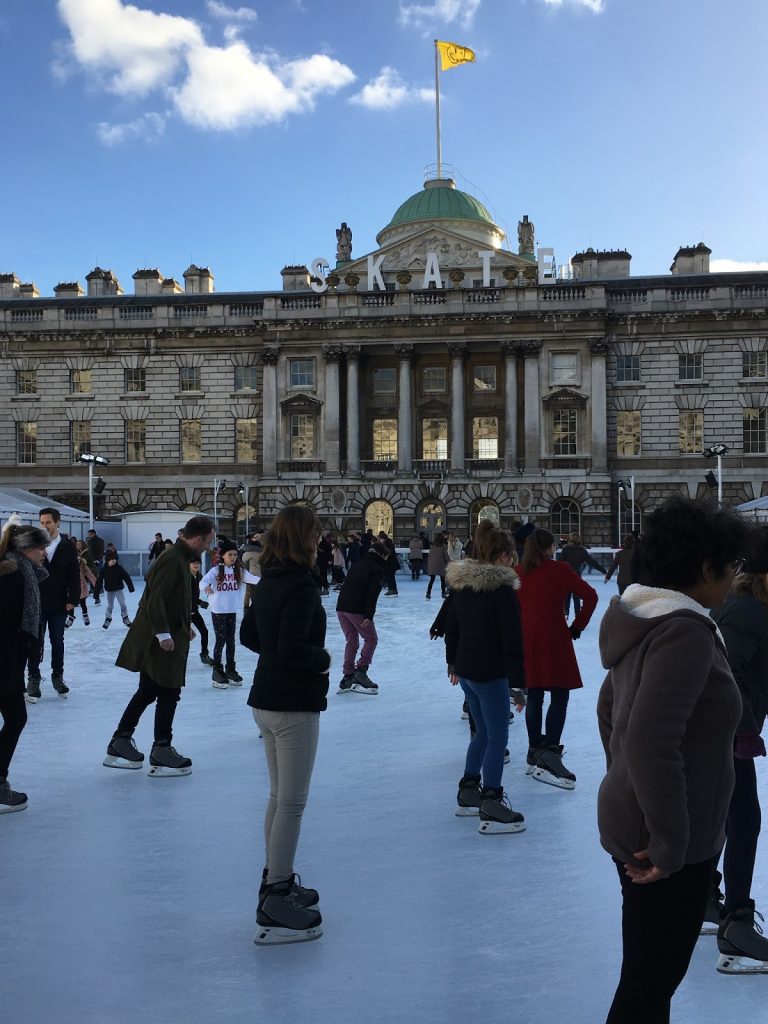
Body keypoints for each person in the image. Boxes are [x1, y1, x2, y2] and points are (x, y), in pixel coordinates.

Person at [597, 495, 752, 1023]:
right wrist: (667, 840)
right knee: (648, 983)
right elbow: (645, 739)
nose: (735, 578)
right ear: (704, 568)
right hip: (666, 844)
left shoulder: (643, 618)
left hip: (644, 824)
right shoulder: (684, 631)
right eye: (732, 567)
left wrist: (623, 785)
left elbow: (610, 711)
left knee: (647, 977)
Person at [240, 504, 328, 945]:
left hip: (266, 698)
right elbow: (296, 649)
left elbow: (250, 637)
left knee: (278, 797)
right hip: (293, 703)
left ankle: (277, 877)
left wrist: (277, 652)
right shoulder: (301, 585)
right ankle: (275, 896)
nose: (319, 540)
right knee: (292, 803)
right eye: (315, 533)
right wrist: (324, 659)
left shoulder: (268, 578)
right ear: (304, 538)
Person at [103, 515, 215, 777]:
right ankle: (160, 748)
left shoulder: (179, 558)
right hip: (158, 639)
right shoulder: (173, 560)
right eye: (208, 541)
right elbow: (156, 600)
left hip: (165, 634)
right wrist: (164, 634)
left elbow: (173, 597)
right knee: (167, 690)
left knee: (151, 689)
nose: (208, 547)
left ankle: (122, 740)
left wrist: (183, 623)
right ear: (197, 538)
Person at [706, 529, 768, 973]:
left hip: (727, 731)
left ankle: (707, 901)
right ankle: (735, 927)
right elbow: (723, 672)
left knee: (727, 819)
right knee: (743, 820)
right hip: (725, 733)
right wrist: (744, 726)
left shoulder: (754, 609)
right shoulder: (747, 613)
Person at [444, 526, 526, 834]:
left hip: (467, 671)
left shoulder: (463, 586)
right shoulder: (502, 592)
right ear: (504, 556)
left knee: (480, 733)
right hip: (490, 674)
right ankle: (491, 800)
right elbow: (512, 641)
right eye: (512, 557)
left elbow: (451, 628)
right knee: (497, 737)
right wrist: (518, 685)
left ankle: (468, 791)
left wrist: (453, 662)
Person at [517, 528, 597, 789]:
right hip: (555, 638)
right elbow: (590, 596)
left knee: (535, 695)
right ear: (549, 548)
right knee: (559, 695)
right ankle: (550, 749)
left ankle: (533, 750)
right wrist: (577, 626)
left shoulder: (519, 573)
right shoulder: (560, 570)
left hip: (528, 639)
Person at [0, 518, 50, 810]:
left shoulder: (20, 569)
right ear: (25, 549)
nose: (44, 552)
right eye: (40, 547)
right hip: (5, 662)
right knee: (17, 718)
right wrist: (23, 647)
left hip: (9, 660)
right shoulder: (14, 574)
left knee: (16, 718)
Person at [26, 507, 80, 700]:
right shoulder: (33, 545)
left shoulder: (67, 546)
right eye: (42, 522)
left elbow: (74, 573)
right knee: (34, 642)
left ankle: (58, 676)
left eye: (48, 522)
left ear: (57, 522)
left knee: (57, 641)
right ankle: (33, 678)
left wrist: (73, 599)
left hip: (59, 603)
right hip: (36, 603)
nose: (45, 526)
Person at [200, 539, 258, 688]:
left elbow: (254, 579)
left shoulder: (239, 571)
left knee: (231, 641)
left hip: (231, 610)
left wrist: (271, 579)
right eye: (230, 554)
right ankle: (217, 672)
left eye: (234, 554)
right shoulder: (216, 571)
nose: (233, 557)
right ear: (223, 556)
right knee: (221, 640)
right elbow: (202, 582)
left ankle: (230, 670)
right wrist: (206, 587)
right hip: (218, 611)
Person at [336, 540, 388, 695]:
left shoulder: (358, 564)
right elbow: (373, 593)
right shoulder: (377, 568)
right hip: (357, 609)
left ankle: (347, 676)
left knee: (351, 641)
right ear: (382, 555)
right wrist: (369, 615)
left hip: (342, 607)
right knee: (371, 639)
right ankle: (361, 671)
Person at [558, 532, 605, 614]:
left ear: (570, 539)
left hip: (566, 578)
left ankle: (565, 614)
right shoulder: (582, 550)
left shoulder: (566, 549)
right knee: (576, 598)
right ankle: (577, 616)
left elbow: (559, 563)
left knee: (566, 597)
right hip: (576, 577)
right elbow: (592, 562)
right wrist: (603, 571)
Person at [95, 552, 135, 628]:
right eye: (112, 559)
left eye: (115, 559)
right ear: (107, 560)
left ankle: (125, 618)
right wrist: (96, 593)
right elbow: (99, 582)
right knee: (110, 605)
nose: (114, 561)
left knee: (122, 604)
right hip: (110, 590)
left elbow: (126, 577)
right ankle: (108, 618)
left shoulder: (119, 568)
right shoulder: (103, 570)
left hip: (119, 589)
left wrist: (131, 587)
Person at [189, 557, 213, 666]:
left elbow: (194, 596)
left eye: (198, 563)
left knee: (204, 631)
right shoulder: (184, 577)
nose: (196, 565)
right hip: (183, 612)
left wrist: (200, 602)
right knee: (182, 636)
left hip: (193, 611)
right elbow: (183, 597)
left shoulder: (199, 577)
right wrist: (198, 602)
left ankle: (204, 655)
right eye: (193, 563)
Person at [75, 540, 97, 626]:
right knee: (71, 603)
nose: (77, 545)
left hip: (82, 585)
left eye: (78, 544)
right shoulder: (71, 565)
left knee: (82, 602)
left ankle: (85, 616)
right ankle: (71, 617)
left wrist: (97, 584)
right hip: (72, 587)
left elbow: (90, 574)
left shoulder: (85, 554)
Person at [425, 533, 449, 599]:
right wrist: (450, 561)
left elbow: (430, 555)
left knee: (432, 579)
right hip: (441, 564)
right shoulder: (443, 546)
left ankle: (428, 593)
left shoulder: (432, 546)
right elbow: (446, 556)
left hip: (432, 564)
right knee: (442, 579)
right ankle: (443, 593)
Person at [377, 531, 399, 596]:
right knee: (391, 577)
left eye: (380, 539)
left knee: (390, 577)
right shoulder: (388, 543)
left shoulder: (386, 544)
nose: (380, 540)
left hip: (390, 563)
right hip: (391, 563)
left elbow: (388, 553)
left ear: (383, 539)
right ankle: (393, 590)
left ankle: (392, 590)